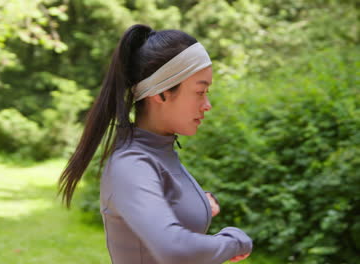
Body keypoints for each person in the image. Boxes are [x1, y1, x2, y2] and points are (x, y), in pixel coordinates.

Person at [58, 24, 253, 264]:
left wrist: (199, 201)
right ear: (160, 93)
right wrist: (235, 241)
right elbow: (174, 249)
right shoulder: (131, 164)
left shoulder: (159, 152)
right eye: (200, 92)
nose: (207, 105)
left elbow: (165, 203)